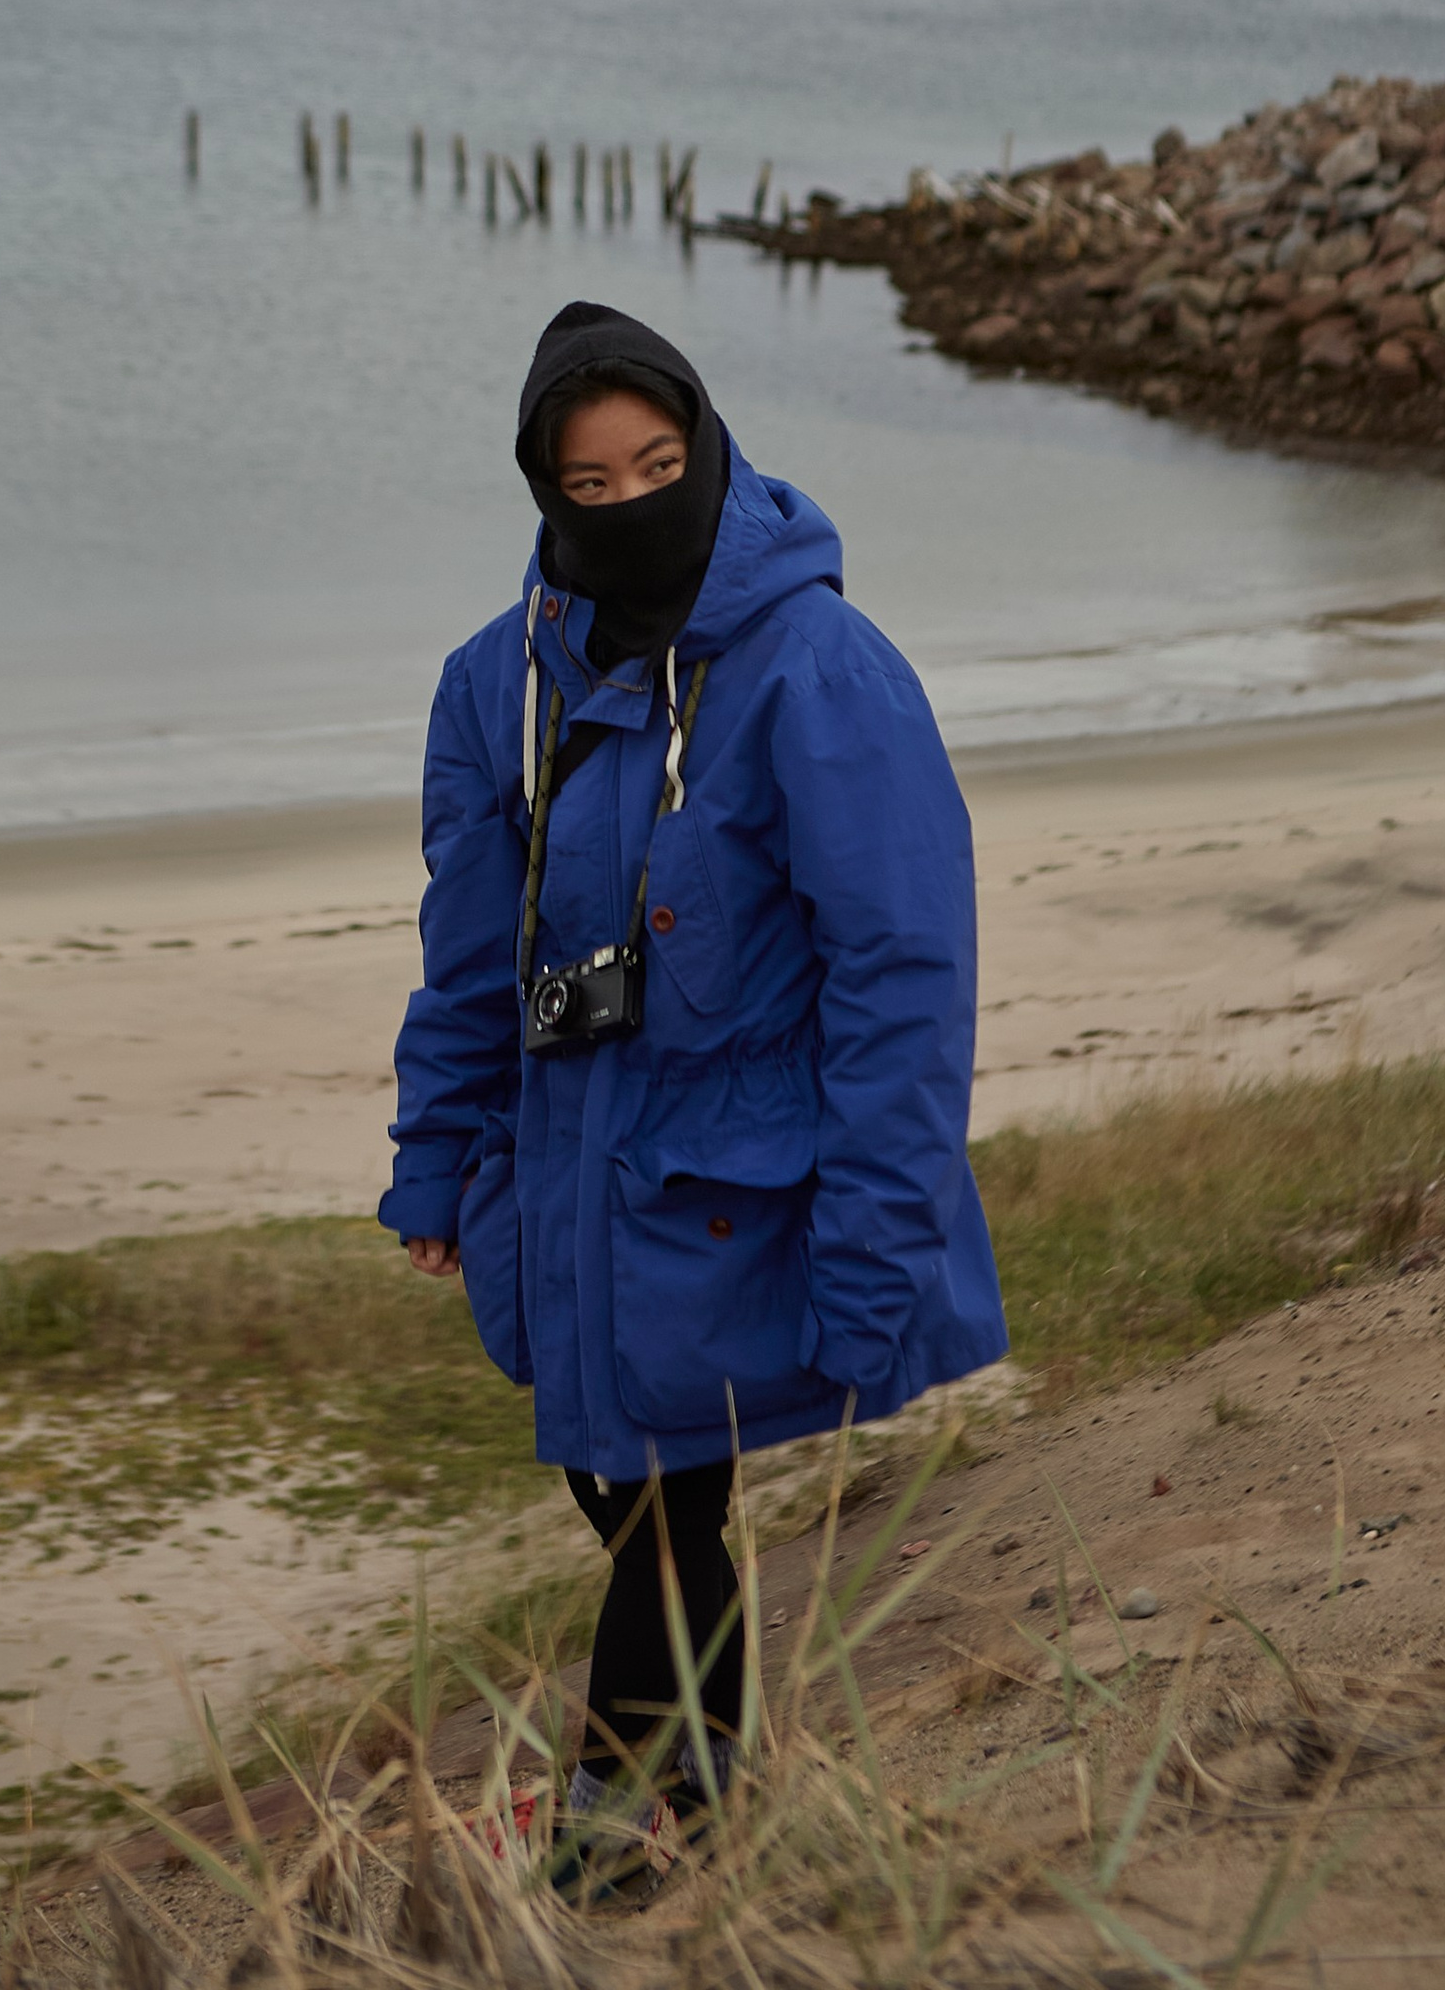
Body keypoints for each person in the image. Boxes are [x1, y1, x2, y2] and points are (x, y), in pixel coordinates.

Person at [381, 298, 1006, 1868]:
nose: (630, 505)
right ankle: (713, 1808)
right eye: (589, 488)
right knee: (638, 1495)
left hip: (739, 1198)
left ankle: (607, 1824)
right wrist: (433, 1154)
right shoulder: (491, 688)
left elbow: (904, 981)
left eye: (657, 465)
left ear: (709, 446)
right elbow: (468, 959)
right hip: (565, 1178)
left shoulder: (819, 669)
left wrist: (883, 1240)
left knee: (661, 1501)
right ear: (545, 492)